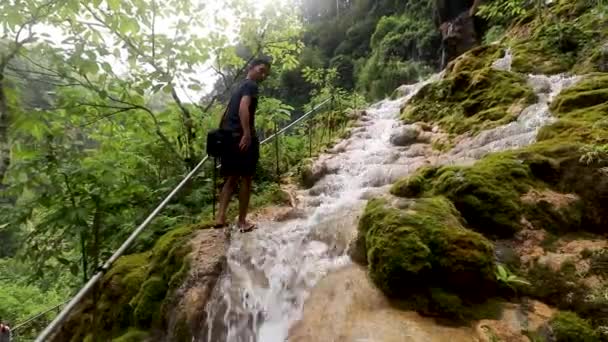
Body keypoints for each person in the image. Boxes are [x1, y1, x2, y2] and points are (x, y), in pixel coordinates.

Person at [214, 58, 271, 232]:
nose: (263, 75)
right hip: (242, 136)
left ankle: (220, 217)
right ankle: (242, 221)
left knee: (231, 178)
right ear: (251, 68)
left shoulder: (238, 87)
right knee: (246, 178)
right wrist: (246, 133)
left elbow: (226, 113)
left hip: (229, 136)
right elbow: (243, 108)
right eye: (261, 70)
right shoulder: (251, 86)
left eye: (266, 73)